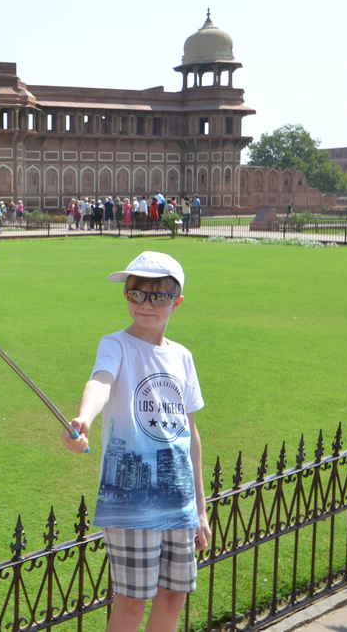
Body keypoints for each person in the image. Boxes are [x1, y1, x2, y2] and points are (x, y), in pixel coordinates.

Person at [63, 251, 209, 632]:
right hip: (132, 498)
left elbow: (190, 435)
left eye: (157, 295)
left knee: (174, 595)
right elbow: (101, 381)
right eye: (135, 293)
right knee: (131, 602)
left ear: (176, 302)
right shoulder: (116, 345)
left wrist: (201, 510)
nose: (145, 304)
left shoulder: (182, 357)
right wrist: (85, 417)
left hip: (178, 498)